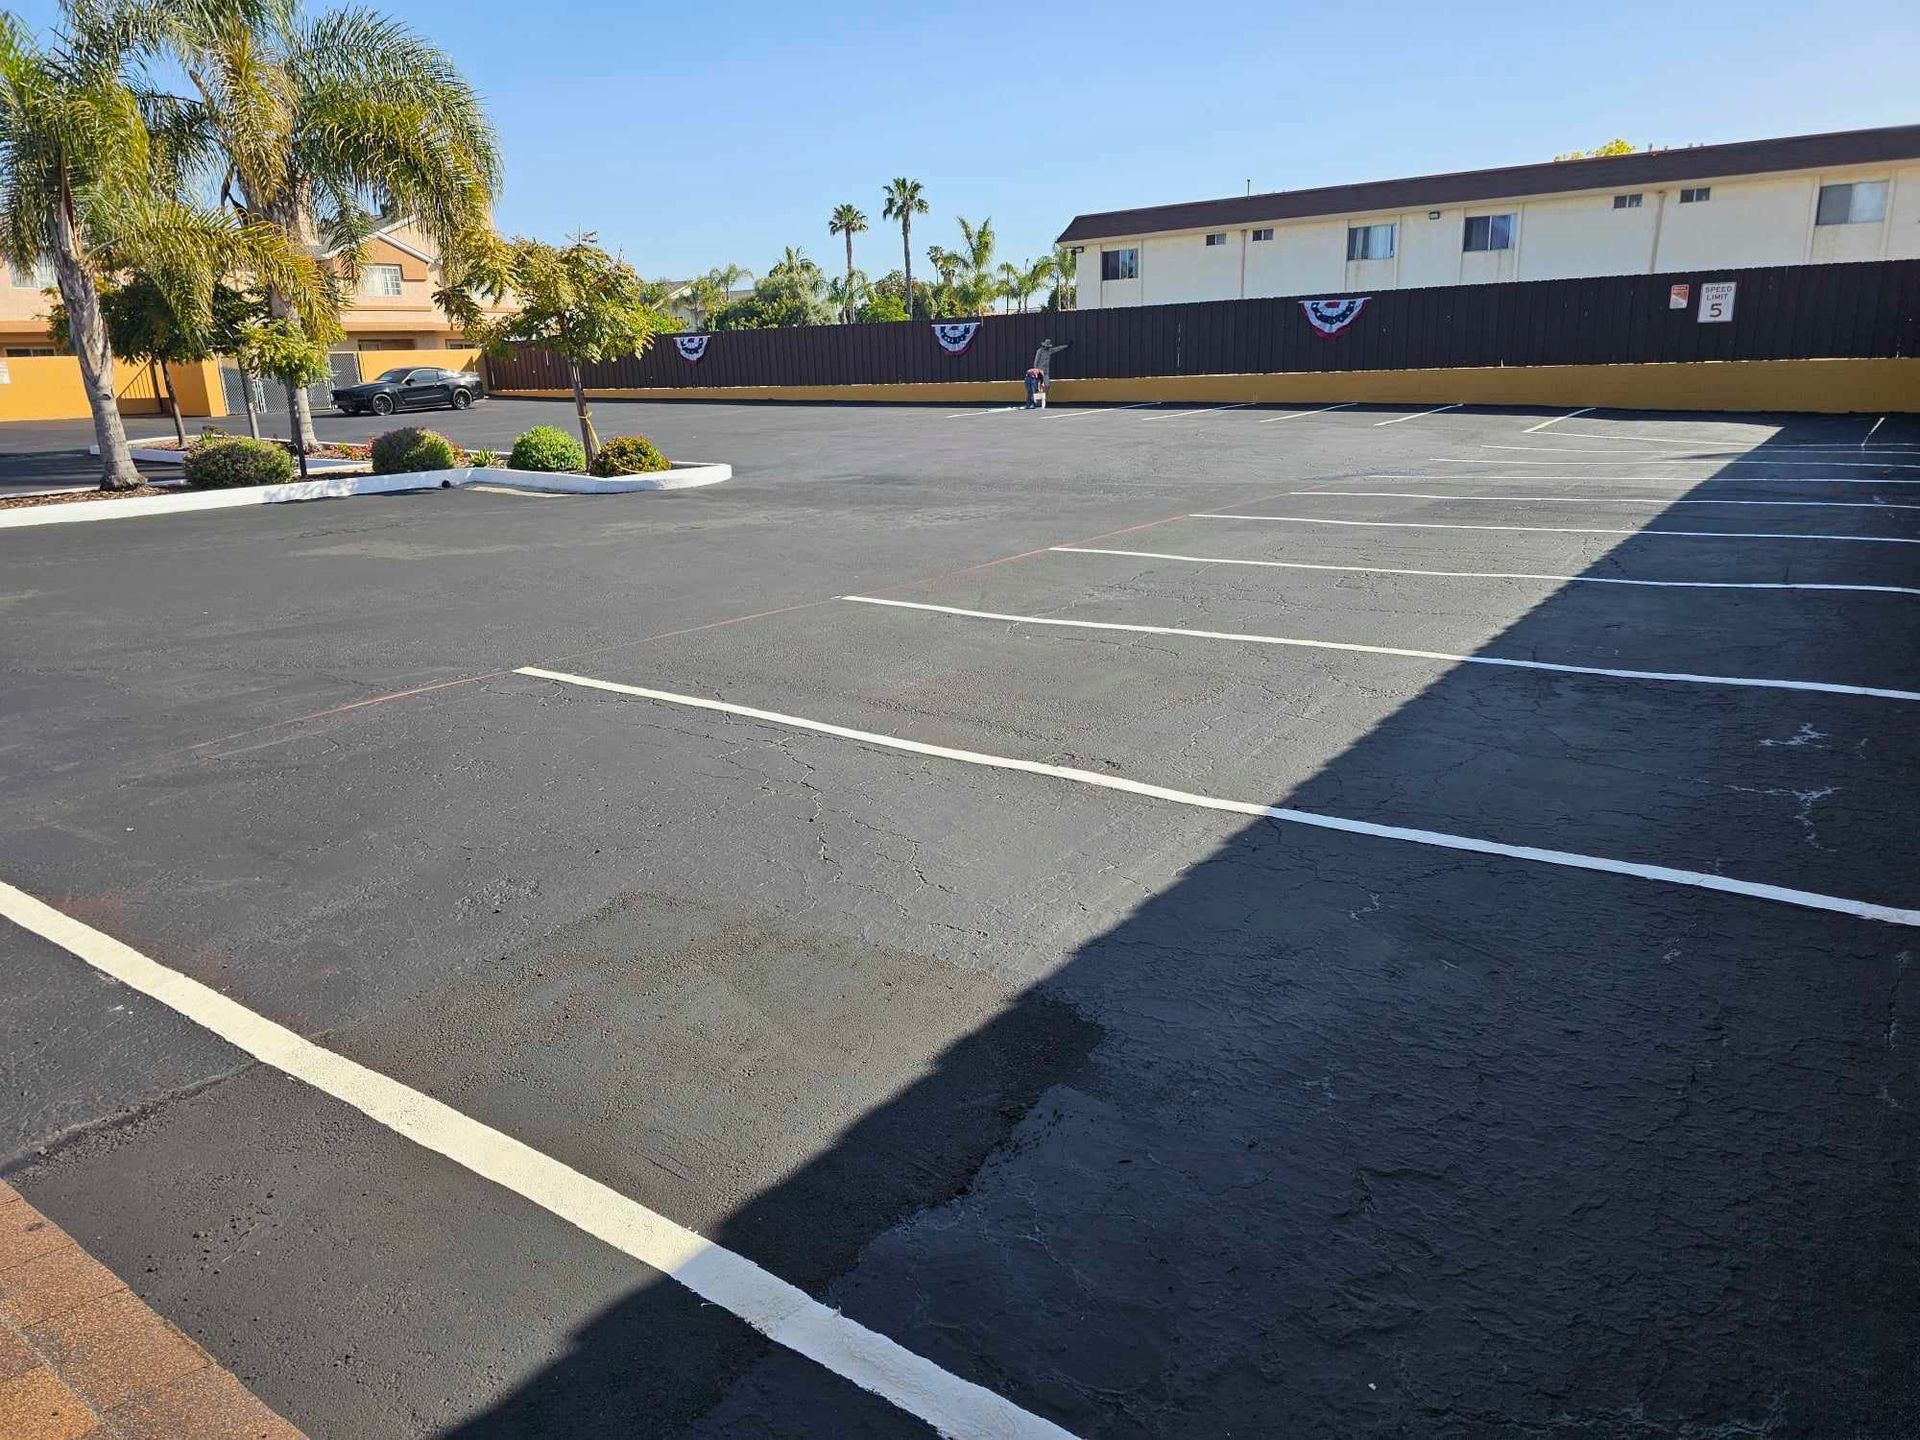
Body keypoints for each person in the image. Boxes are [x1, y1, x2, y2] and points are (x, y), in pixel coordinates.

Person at [1025, 337, 1070, 408]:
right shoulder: (1039, 351)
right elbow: (1036, 361)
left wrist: (1066, 346)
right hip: (1039, 371)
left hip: (1046, 372)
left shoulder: (1049, 351)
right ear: (1044, 345)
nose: (1047, 347)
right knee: (1037, 387)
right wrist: (1036, 371)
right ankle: (1034, 401)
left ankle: (1044, 399)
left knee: (1048, 385)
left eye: (1048, 346)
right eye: (1046, 346)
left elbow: (1057, 349)